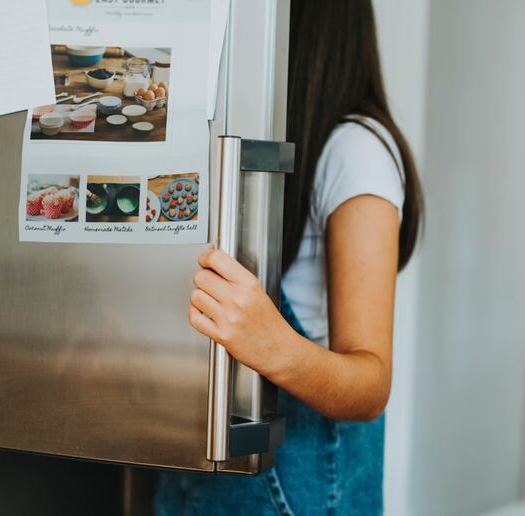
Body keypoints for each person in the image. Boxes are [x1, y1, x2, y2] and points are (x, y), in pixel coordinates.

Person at [156, 0, 423, 513]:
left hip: (296, 493)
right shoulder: (252, 138)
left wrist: (271, 344)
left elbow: (371, 386)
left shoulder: (356, 149)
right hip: (196, 476)